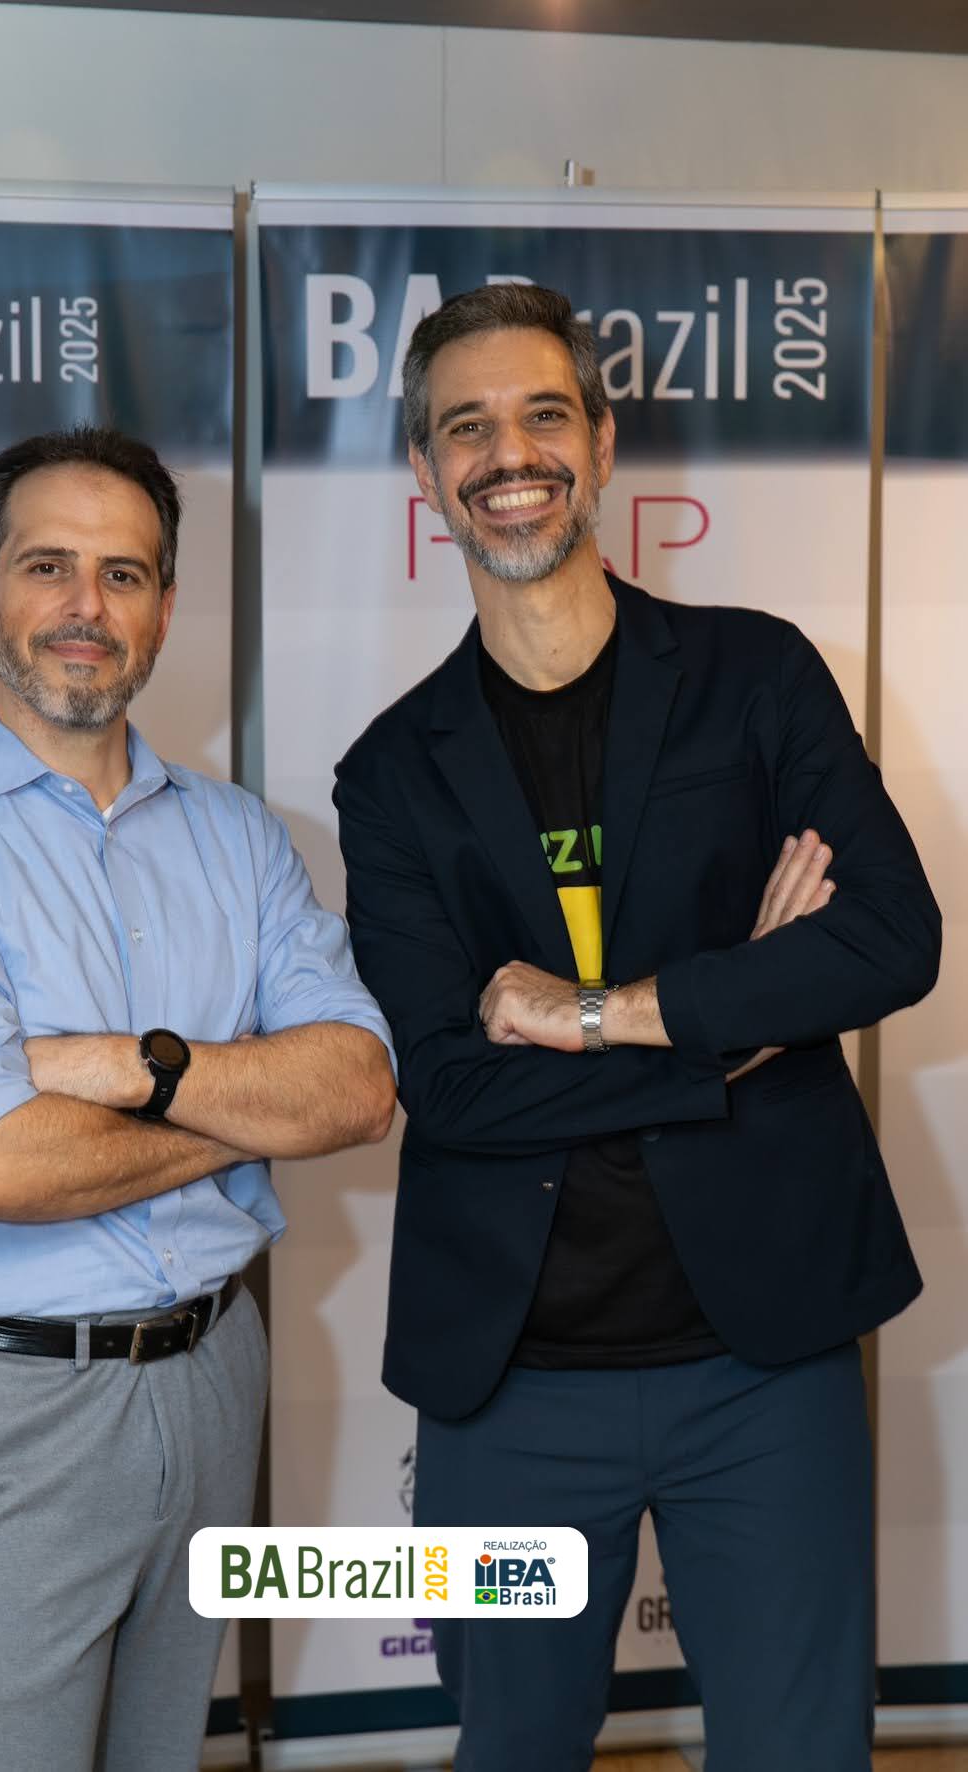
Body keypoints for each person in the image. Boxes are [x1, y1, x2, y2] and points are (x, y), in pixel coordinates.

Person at [332, 284, 940, 1772]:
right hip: (508, 1386)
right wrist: (735, 1025)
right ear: (425, 473)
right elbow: (453, 1090)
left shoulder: (756, 676)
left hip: (767, 1363)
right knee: (512, 1750)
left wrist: (599, 1015)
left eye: (544, 413)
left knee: (802, 1753)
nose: (508, 453)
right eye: (465, 426)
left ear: (601, 447)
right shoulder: (390, 774)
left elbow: (888, 939)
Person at [0, 425, 396, 1772]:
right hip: (6, 1404)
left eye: (123, 574)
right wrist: (241, 1112)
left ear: (164, 608)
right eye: (47, 567)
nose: (85, 606)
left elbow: (358, 1089)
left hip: (213, 1371)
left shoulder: (240, 839)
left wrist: (133, 1065)